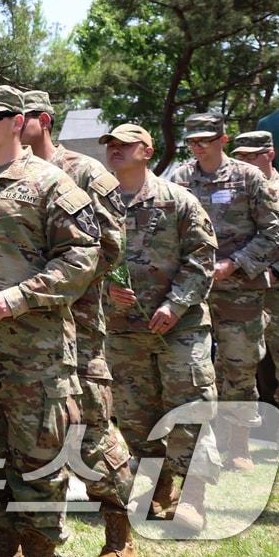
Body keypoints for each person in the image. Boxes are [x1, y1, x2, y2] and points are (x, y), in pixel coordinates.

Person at [0, 86, 99, 557]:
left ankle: (39, 547)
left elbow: (83, 255)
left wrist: (21, 296)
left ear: (17, 122)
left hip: (36, 352)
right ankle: (0, 540)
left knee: (39, 454)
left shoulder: (50, 182)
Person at [20, 91, 135, 552]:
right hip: (24, 330)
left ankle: (119, 532)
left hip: (78, 325)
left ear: (42, 121)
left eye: (21, 117)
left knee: (90, 428)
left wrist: (51, 280)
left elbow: (109, 249)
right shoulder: (8, 176)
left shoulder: (86, 173)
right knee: (34, 433)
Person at [100, 123, 219, 533]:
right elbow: (82, 259)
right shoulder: (99, 203)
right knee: (136, 417)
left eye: (124, 145)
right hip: (122, 331)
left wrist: (175, 303)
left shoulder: (177, 201)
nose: (115, 150)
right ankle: (158, 486)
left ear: (147, 151)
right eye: (110, 145)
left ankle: (195, 496)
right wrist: (104, 291)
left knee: (190, 409)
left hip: (178, 327)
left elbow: (202, 258)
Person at [165, 113, 279, 470]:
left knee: (239, 365)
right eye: (192, 141)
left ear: (223, 139)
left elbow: (272, 233)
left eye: (205, 140)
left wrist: (234, 263)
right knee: (193, 368)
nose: (198, 147)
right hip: (191, 288)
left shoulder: (248, 177)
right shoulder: (181, 177)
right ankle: (201, 444)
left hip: (239, 288)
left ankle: (240, 446)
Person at [232, 130, 279, 458]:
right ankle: (242, 440)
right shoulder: (233, 193)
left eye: (253, 155)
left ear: (271, 154)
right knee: (241, 362)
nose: (246, 161)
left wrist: (278, 271)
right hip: (241, 291)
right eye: (242, 156)